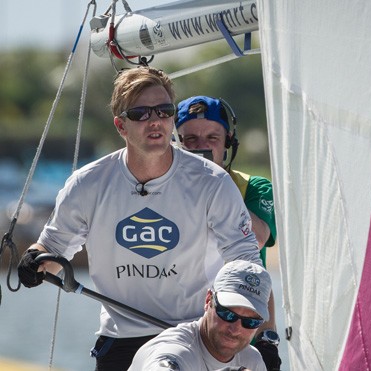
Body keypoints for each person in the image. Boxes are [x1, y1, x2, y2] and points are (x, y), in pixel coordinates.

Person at [16, 66, 262, 371]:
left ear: (173, 119)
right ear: (121, 126)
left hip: (191, 340)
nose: (155, 120)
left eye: (164, 110)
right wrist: (34, 261)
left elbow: (246, 260)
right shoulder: (87, 184)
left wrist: (256, 335)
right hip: (120, 340)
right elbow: (52, 249)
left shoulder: (212, 182)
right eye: (141, 114)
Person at [175, 96, 281, 370]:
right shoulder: (163, 190)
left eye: (212, 138)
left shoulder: (254, 187)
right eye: (191, 140)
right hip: (182, 330)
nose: (202, 147)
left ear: (228, 143)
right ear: (175, 143)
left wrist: (214, 183)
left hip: (240, 333)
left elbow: (258, 237)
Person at [129, 260, 270, 371]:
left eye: (250, 322)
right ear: (208, 300)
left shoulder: (252, 360)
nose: (235, 329)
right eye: (227, 314)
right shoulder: (176, 351)